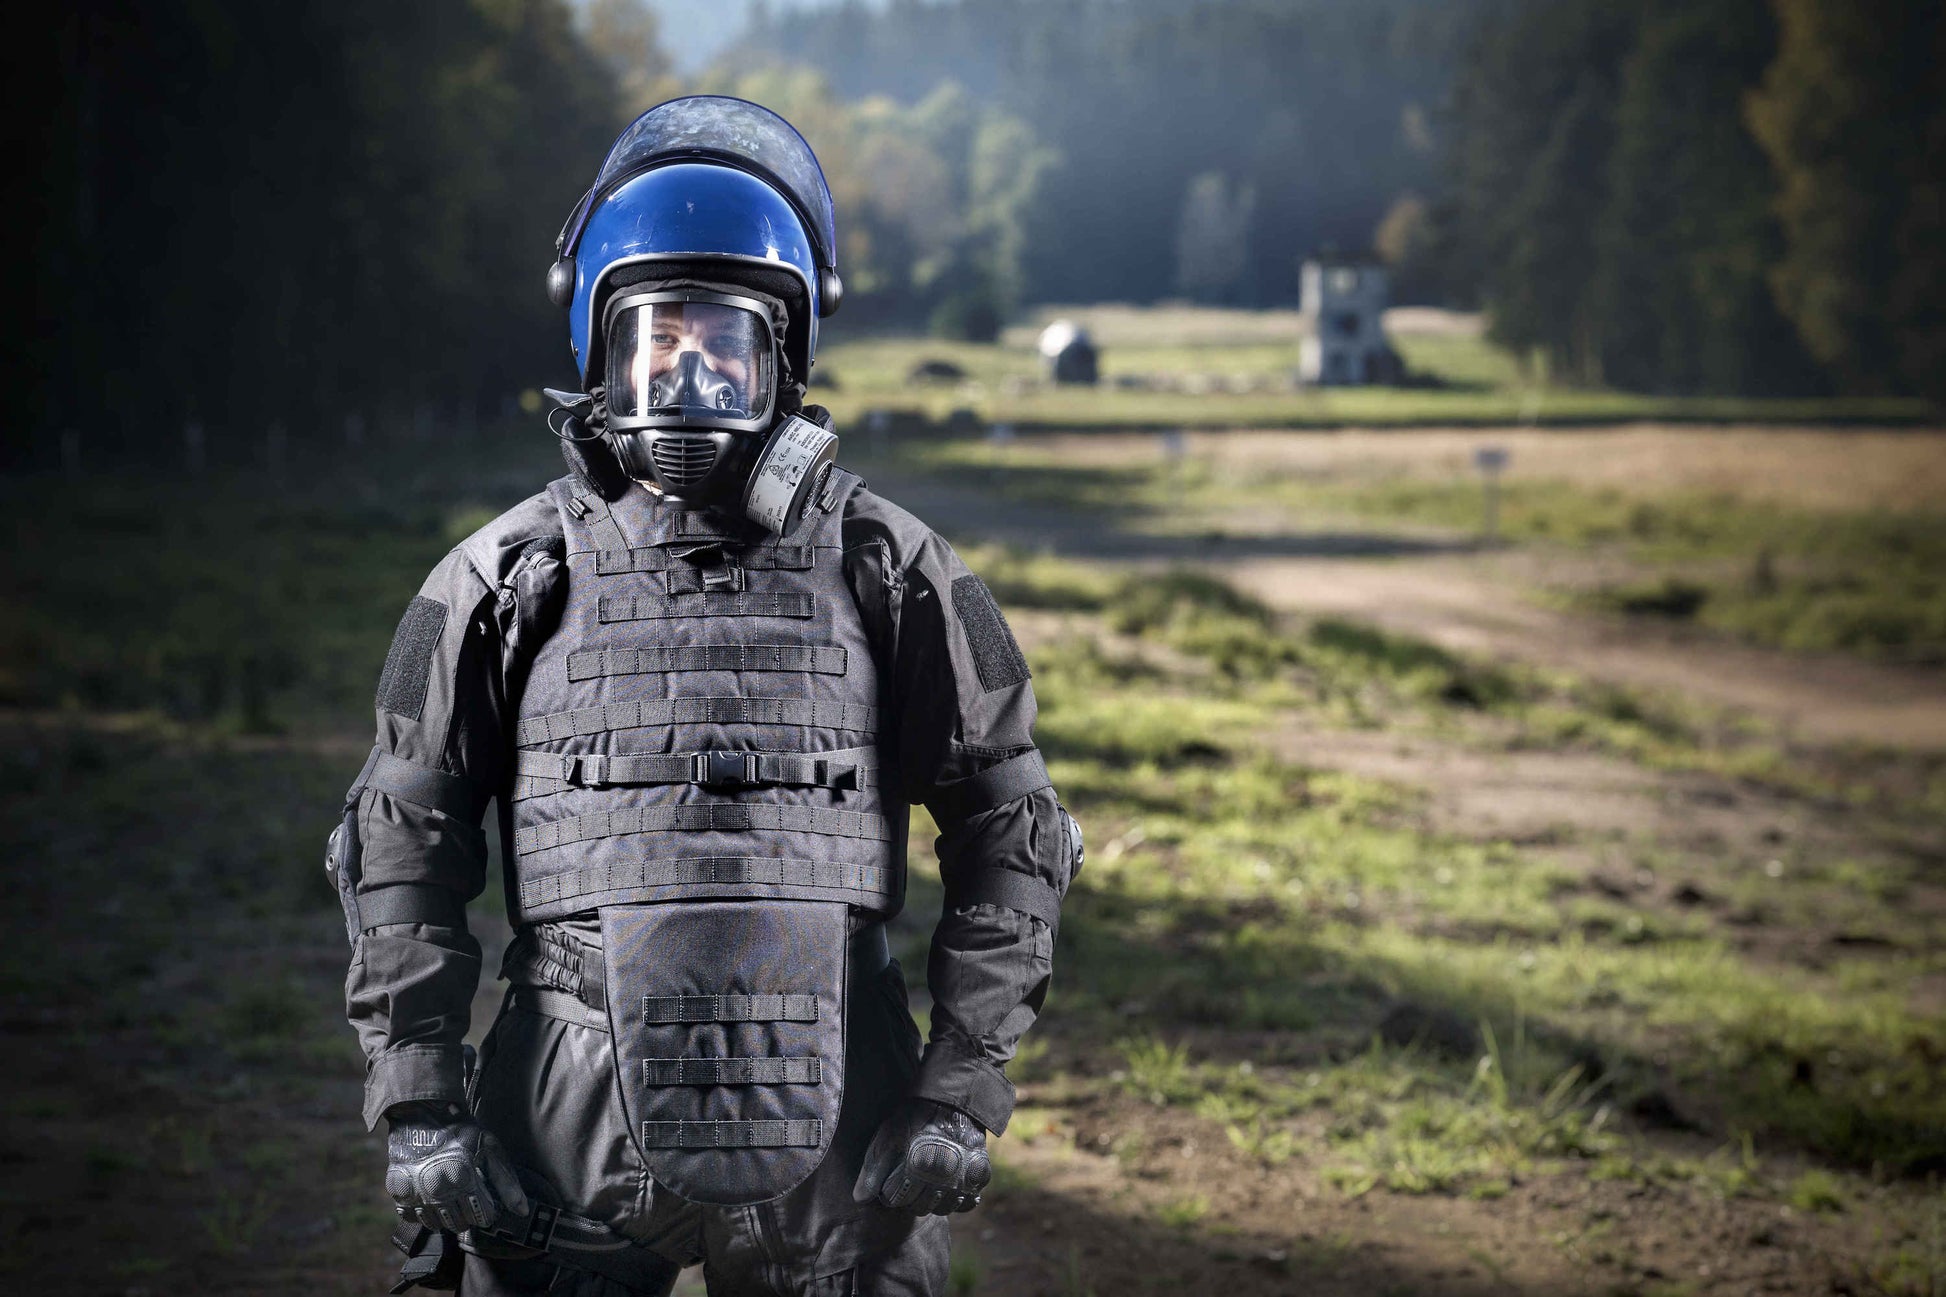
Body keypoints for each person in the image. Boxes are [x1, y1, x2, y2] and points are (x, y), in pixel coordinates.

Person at [328, 96, 1081, 1296]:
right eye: (658, 336)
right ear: (601, 348)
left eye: (724, 342)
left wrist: (959, 1088)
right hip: (570, 1084)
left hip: (840, 1093)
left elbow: (1015, 830)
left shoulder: (896, 568)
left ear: (780, 360)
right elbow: (400, 843)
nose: (689, 371)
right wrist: (419, 1103)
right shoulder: (505, 576)